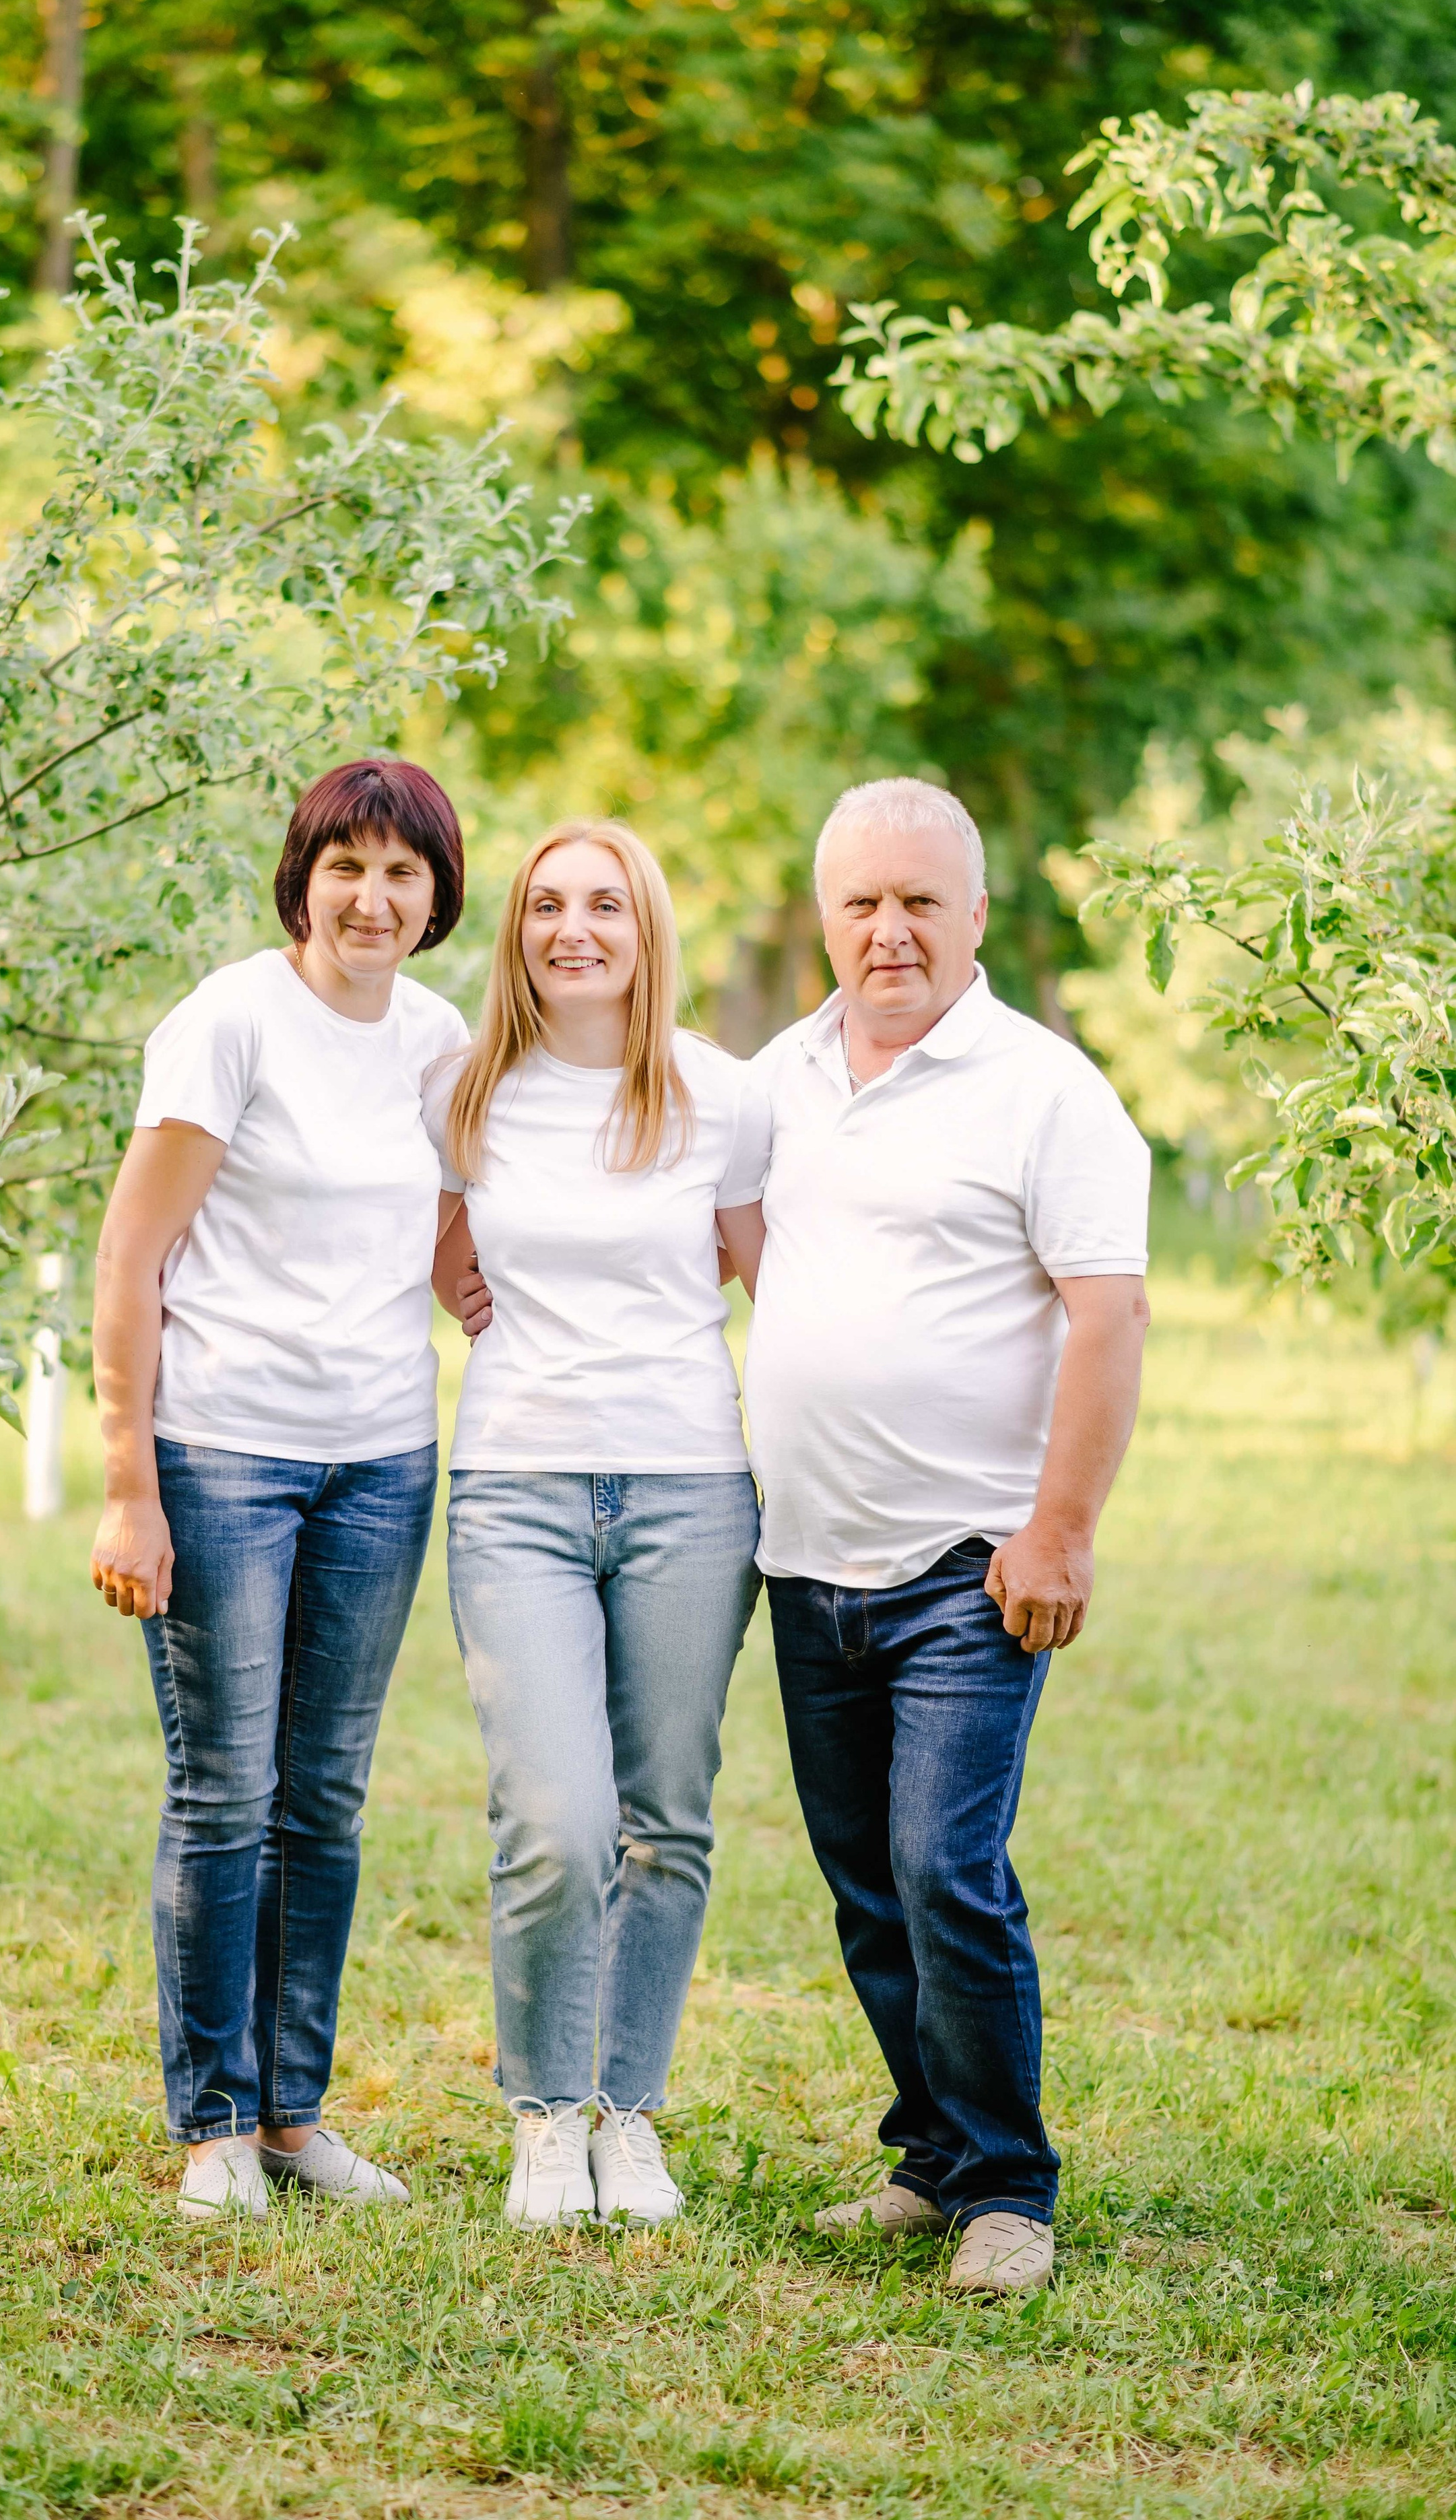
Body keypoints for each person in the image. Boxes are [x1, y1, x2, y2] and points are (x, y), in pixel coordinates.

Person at [737, 776, 1150, 2298]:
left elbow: (1106, 1318)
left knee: (941, 1865)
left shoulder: (1046, 1090)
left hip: (967, 1569)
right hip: (805, 1563)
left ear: (975, 915)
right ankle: (927, 2156)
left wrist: (1059, 1531)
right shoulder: (777, 1074)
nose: (889, 929)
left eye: (920, 900)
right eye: (861, 902)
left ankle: (1006, 2190)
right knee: (864, 1882)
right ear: (823, 916)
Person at [89, 758, 469, 2222]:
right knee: (224, 1788)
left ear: (436, 895)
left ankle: (296, 2115)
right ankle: (213, 2125)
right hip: (222, 1452)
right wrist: (130, 1484)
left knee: (323, 1797)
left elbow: (438, 1234)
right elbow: (130, 1259)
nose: (371, 898)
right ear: (302, 876)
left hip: (379, 1459)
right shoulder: (229, 1022)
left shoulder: (436, 1042)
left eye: (401, 873)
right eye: (346, 866)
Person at [428, 820, 768, 2228]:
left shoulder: (721, 1096)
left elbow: (776, 1283)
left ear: (646, 929)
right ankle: (540, 2111)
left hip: (689, 1484)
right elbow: (442, 1254)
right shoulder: (463, 1093)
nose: (575, 928)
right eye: (547, 904)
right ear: (516, 930)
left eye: (605, 905)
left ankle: (626, 2112)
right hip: (515, 1485)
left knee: (665, 1820)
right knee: (557, 1820)